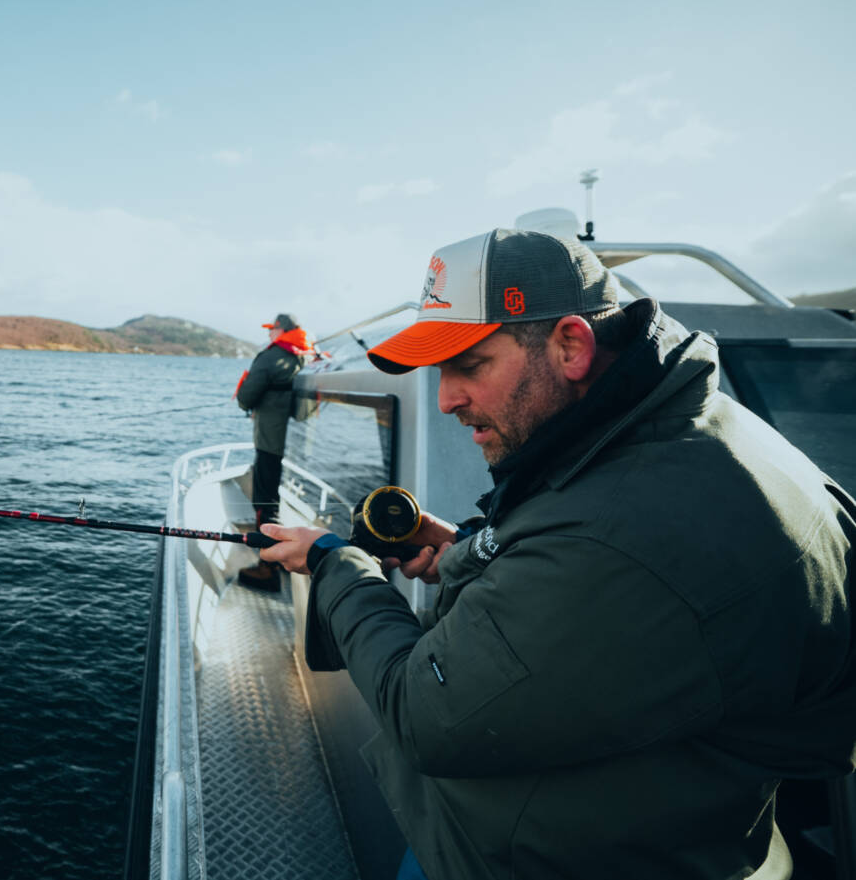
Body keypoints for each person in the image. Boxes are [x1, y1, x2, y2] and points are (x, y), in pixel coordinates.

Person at [259, 229, 856, 879]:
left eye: (469, 364)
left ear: (571, 345)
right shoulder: (702, 433)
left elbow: (421, 712)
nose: (447, 398)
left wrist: (333, 563)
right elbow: (615, 581)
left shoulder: (617, 534)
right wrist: (468, 550)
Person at [234, 311, 310, 590]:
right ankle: (283, 556)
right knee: (273, 498)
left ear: (282, 330)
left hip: (270, 442)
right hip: (292, 443)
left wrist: (248, 402)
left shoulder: (271, 357)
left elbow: (246, 396)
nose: (269, 334)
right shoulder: (304, 355)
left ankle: (268, 566)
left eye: (272, 329)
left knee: (265, 501)